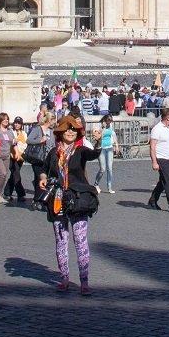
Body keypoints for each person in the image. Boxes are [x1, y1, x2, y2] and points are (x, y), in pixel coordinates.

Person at [40, 115, 102, 294]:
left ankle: (84, 281)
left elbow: (93, 154)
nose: (70, 132)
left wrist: (98, 143)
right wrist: (43, 179)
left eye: (73, 129)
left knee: (80, 240)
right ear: (60, 132)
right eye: (67, 129)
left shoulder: (80, 150)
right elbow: (44, 170)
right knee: (61, 241)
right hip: (58, 199)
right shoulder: (53, 153)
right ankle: (64, 278)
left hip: (77, 199)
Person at [147, 108, 169, 213]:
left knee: (163, 182)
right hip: (161, 158)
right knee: (168, 182)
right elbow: (152, 147)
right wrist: (154, 162)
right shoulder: (157, 129)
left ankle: (153, 200)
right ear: (167, 117)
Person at [93, 114, 116, 194]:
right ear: (104, 121)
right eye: (107, 122)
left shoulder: (110, 126)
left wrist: (116, 145)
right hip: (101, 148)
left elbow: (113, 134)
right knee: (102, 169)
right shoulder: (99, 126)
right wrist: (103, 130)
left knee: (110, 168)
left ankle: (109, 187)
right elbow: (97, 137)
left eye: (110, 122)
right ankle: (96, 184)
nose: (108, 123)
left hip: (109, 148)